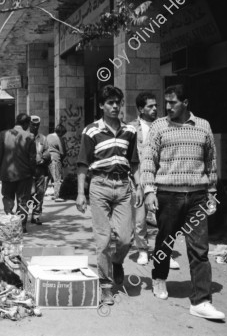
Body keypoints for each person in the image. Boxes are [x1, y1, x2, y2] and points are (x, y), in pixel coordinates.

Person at [142, 84, 225, 320]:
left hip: (198, 196)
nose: (167, 107)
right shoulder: (159, 126)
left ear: (186, 103)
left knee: (200, 249)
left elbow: (211, 161)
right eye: (165, 102)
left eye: (173, 102)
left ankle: (201, 301)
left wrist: (211, 192)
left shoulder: (203, 126)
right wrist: (149, 191)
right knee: (165, 241)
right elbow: (149, 160)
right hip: (168, 196)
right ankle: (159, 278)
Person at [75, 85, 139, 306]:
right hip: (99, 185)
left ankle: (117, 261)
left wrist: (139, 187)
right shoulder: (91, 131)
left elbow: (134, 162)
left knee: (125, 238)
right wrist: (80, 194)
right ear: (101, 105)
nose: (114, 106)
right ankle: (105, 286)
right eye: (110, 103)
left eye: (117, 103)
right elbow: (83, 164)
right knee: (102, 241)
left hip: (123, 187)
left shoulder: (130, 131)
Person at [128, 92, 181, 270]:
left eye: (156, 106)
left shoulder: (166, 125)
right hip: (140, 178)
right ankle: (142, 249)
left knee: (166, 218)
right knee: (140, 217)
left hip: (163, 177)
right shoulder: (131, 128)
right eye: (150, 106)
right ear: (141, 109)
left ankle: (166, 253)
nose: (154, 109)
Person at [0, 113, 36, 232]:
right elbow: (32, 158)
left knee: (8, 198)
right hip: (24, 174)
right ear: (27, 124)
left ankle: (10, 222)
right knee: (23, 201)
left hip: (7, 174)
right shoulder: (30, 136)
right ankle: (21, 226)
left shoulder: (3, 134)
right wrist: (33, 173)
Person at [28, 115, 51, 225]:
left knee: (40, 193)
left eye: (37, 125)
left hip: (40, 169)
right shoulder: (26, 136)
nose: (35, 127)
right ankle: (24, 215)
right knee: (28, 193)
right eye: (33, 125)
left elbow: (47, 151)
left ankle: (36, 215)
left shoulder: (43, 138)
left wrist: (43, 158)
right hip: (27, 170)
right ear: (29, 124)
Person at [47, 124, 67, 202]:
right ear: (61, 133)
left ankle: (39, 196)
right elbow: (62, 152)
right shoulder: (59, 139)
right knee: (57, 178)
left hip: (47, 158)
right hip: (55, 159)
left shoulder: (48, 136)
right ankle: (57, 196)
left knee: (47, 178)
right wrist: (62, 161)